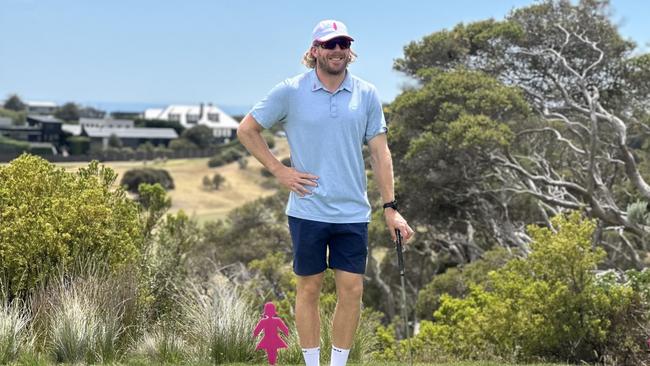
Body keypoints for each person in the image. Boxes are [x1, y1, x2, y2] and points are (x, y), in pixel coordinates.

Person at [237, 19, 414, 366]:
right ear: (315, 50)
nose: (337, 51)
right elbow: (247, 130)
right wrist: (279, 170)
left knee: (352, 291)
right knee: (309, 290)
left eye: (343, 44)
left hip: (352, 213)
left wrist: (390, 207)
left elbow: (381, 153)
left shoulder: (366, 94)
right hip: (307, 211)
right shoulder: (290, 90)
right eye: (329, 44)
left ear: (350, 51)